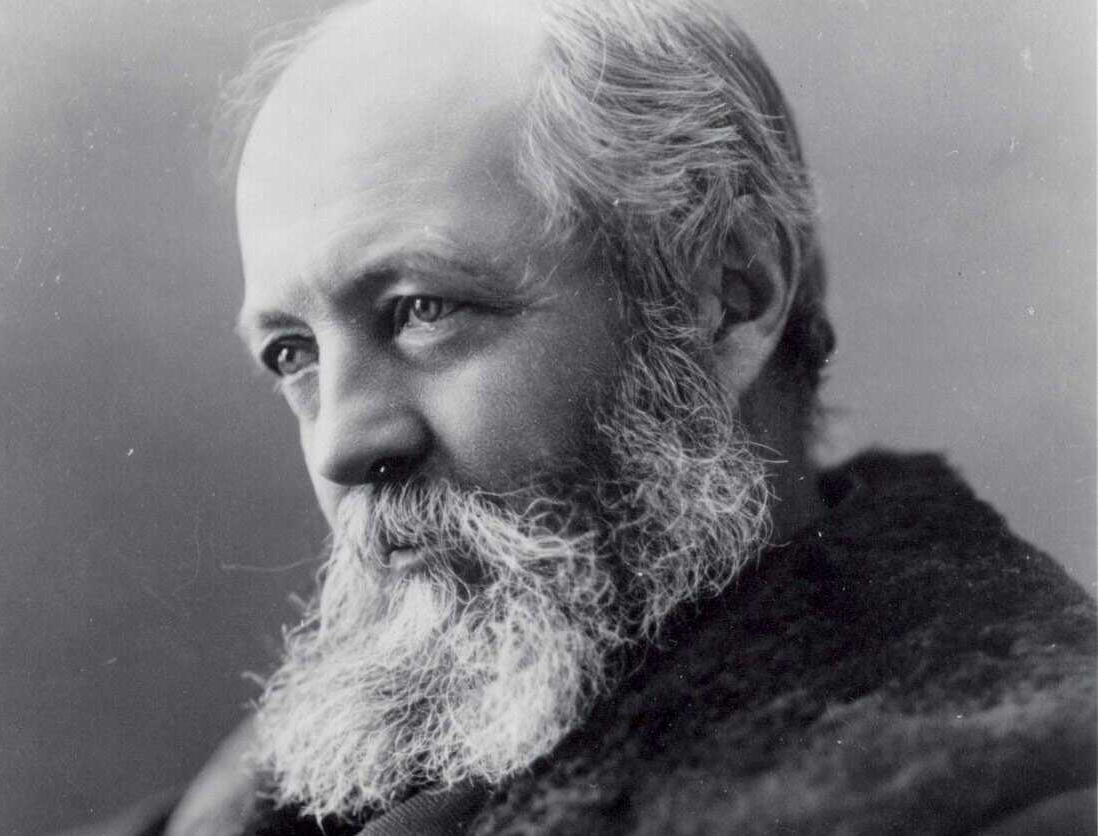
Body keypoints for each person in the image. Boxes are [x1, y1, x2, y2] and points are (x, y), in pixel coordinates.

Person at [70, 1, 1095, 834]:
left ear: (728, 296)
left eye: (422, 309)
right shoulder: (284, 792)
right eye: (291, 353)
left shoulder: (1025, 779)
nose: (341, 442)